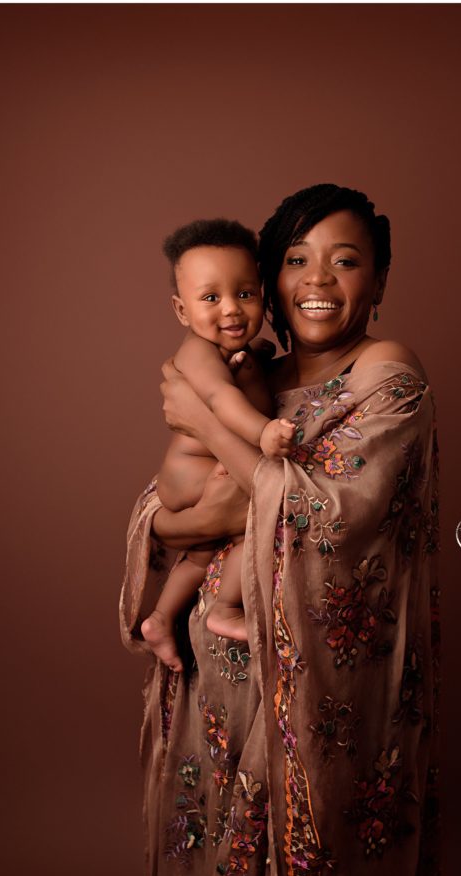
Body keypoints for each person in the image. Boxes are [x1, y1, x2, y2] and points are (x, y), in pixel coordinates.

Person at [120, 184, 443, 876]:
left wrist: (204, 417)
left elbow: (318, 516)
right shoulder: (253, 372)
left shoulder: (388, 379)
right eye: (296, 260)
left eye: (345, 261)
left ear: (379, 279)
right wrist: (214, 474)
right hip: (212, 684)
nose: (318, 280)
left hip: (316, 701)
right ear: (268, 279)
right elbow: (178, 512)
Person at [140, 218, 296, 670]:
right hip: (193, 476)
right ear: (181, 310)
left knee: (202, 553)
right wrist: (262, 433)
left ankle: (161, 618)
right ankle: (226, 609)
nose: (231, 309)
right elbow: (219, 399)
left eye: (244, 294)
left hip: (200, 477)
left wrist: (255, 361)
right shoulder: (197, 352)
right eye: (211, 298)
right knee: (258, 525)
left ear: (263, 295)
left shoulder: (238, 349)